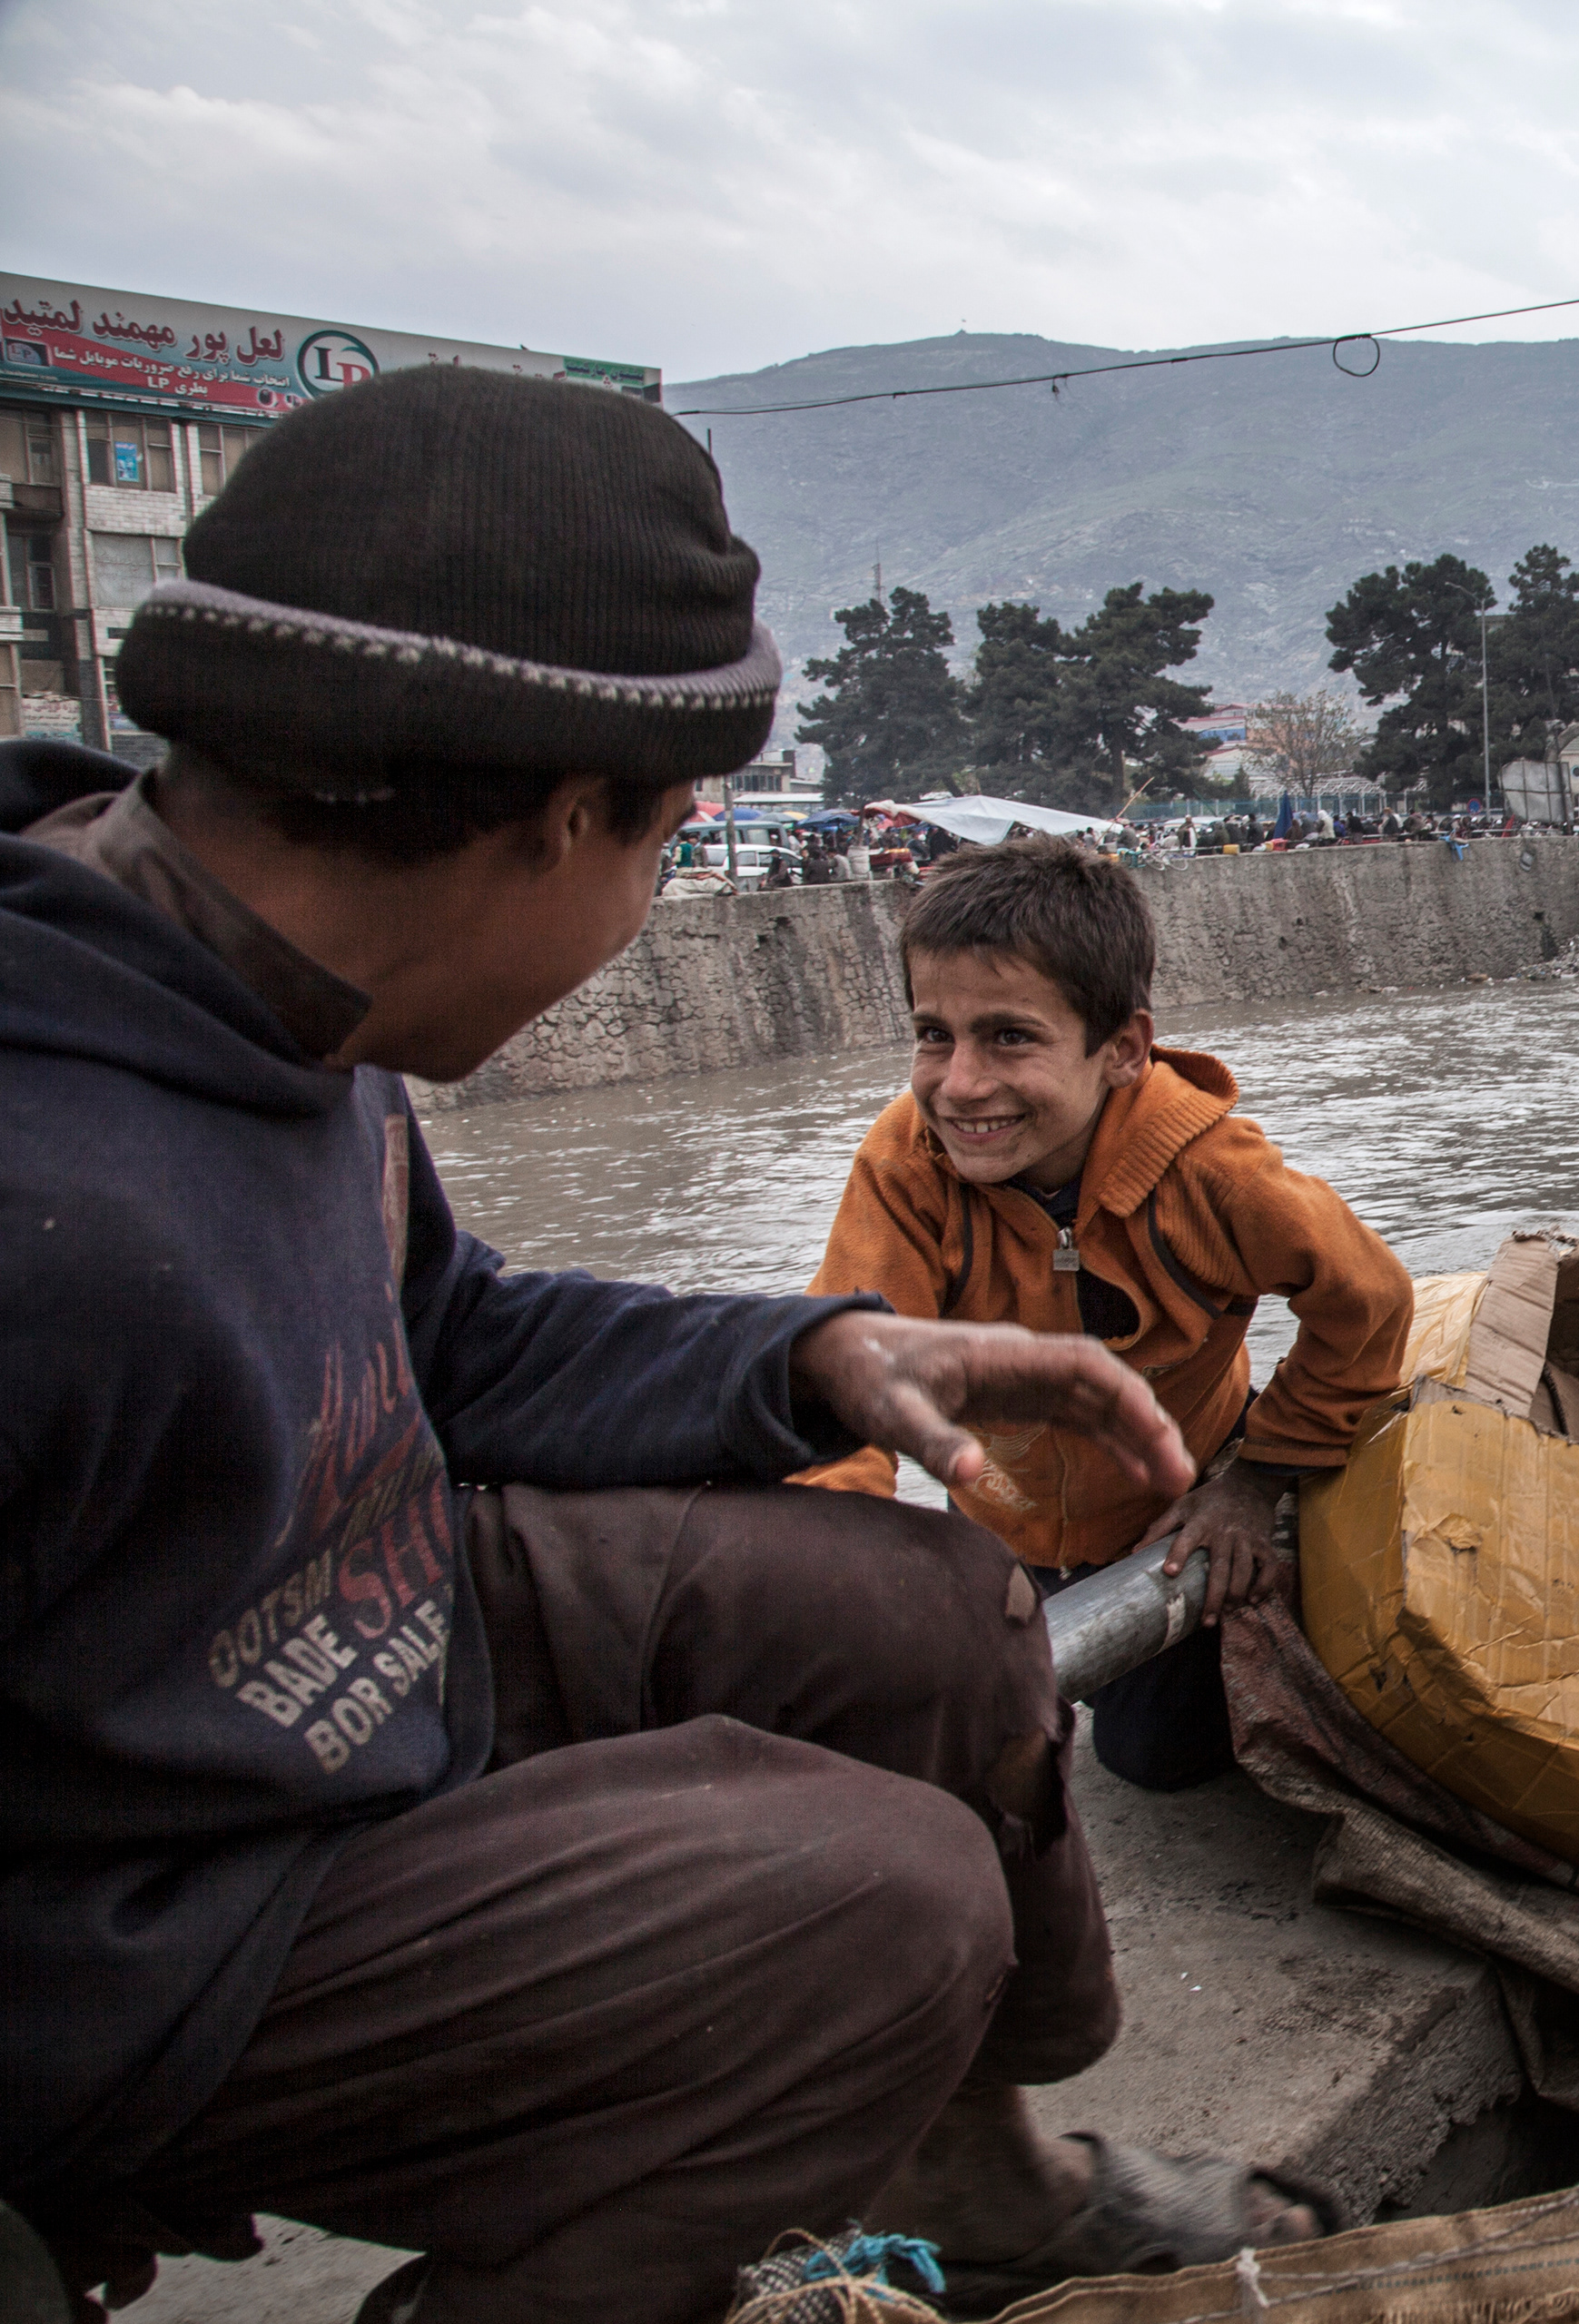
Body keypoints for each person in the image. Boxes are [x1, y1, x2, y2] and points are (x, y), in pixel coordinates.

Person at [1, 367, 1325, 2324]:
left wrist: (813, 1361)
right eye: (662, 842)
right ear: (556, 823)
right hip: (173, 1899)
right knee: (880, 1909)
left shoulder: (272, 1003)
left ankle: (977, 2169)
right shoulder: (59, 1208)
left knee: (939, 1612)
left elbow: (439, 1336)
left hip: (372, 1624)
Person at [798, 835, 1414, 1791]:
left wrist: (1258, 1479)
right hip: (1008, 1522)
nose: (958, 1085)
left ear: (1122, 1049)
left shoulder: (1211, 1173)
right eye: (933, 1034)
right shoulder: (906, 1167)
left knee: (1154, 1756)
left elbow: (1369, 1302)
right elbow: (846, 1372)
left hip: (1179, 1503)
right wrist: (830, 1580)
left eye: (1009, 1036)